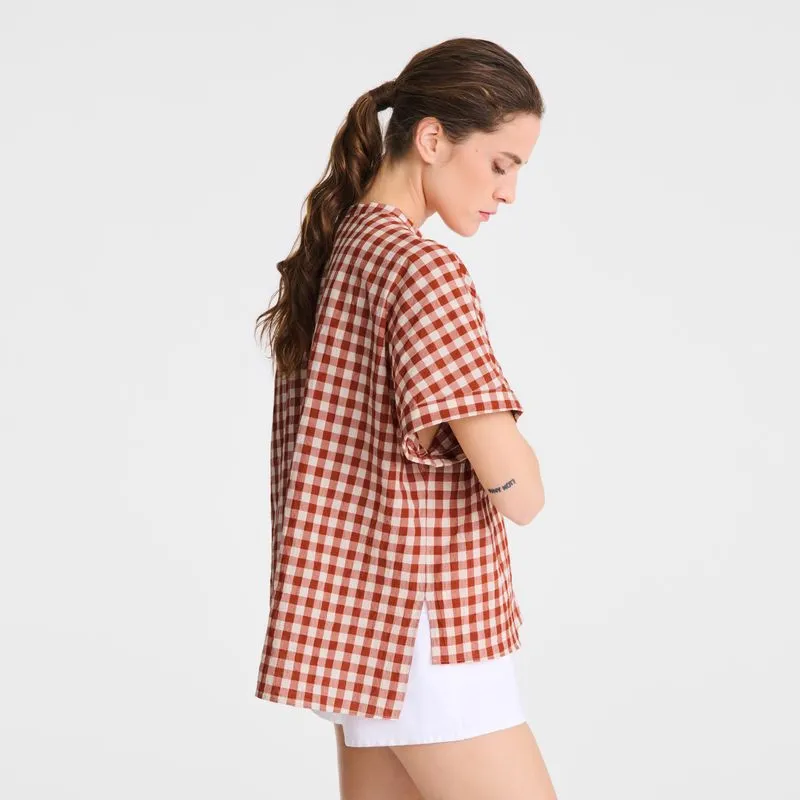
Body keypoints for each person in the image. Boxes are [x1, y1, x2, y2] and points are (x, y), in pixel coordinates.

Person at [253, 36, 556, 800]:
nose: (509, 192)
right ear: (431, 139)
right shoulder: (422, 269)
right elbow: (521, 494)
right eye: (501, 163)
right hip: (433, 629)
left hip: (364, 633)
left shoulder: (339, 252)